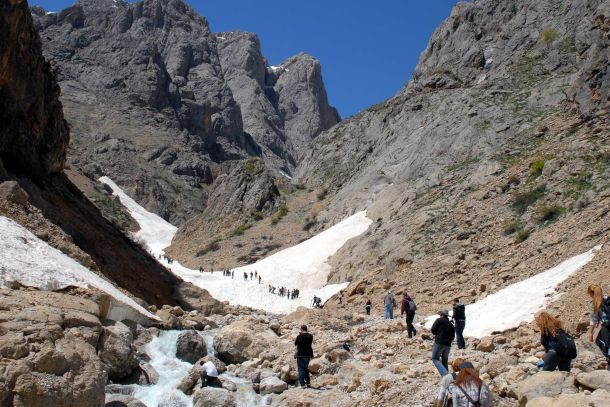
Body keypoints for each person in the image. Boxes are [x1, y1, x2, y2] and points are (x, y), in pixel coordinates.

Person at [587, 284, 610, 370]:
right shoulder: (608, 299)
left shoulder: (594, 304)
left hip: (607, 329)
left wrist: (590, 333)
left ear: (591, 293)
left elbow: (593, 320)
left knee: (602, 343)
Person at [431, 310, 455, 376]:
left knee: (435, 359)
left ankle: (446, 375)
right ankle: (447, 376)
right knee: (445, 360)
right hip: (448, 345)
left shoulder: (439, 320)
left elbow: (433, 330)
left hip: (439, 342)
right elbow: (453, 337)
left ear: (441, 315)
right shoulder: (451, 325)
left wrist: (438, 333)